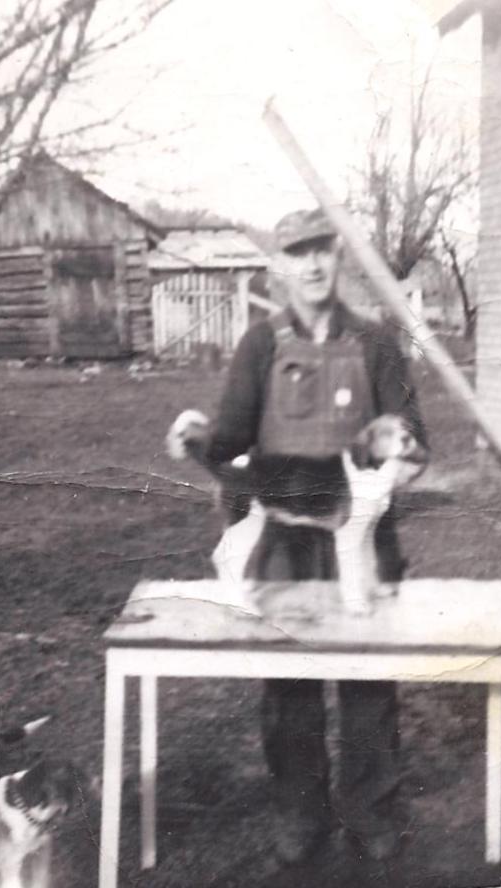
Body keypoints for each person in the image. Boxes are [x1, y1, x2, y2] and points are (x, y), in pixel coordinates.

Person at [203, 207, 427, 864]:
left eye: (321, 250)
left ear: (338, 257)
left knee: (369, 685)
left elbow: (414, 441)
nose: (311, 264)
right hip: (285, 545)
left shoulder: (378, 342)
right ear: (279, 265)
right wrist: (198, 442)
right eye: (296, 253)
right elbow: (228, 443)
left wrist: (394, 475)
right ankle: (300, 813)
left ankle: (371, 811)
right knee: (289, 691)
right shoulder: (261, 345)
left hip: (363, 544)